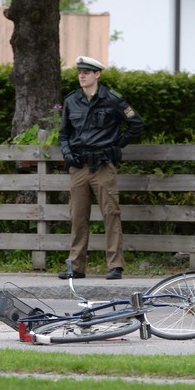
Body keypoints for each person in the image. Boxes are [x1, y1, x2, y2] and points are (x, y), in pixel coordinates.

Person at [58, 55, 145, 280]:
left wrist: (117, 145)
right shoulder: (71, 101)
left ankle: (115, 266)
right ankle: (76, 267)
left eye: (86, 72)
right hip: (79, 166)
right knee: (78, 216)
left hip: (103, 166)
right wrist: (67, 153)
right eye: (80, 72)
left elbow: (136, 123)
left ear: (97, 74)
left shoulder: (112, 99)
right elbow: (63, 134)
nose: (82, 76)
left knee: (111, 214)